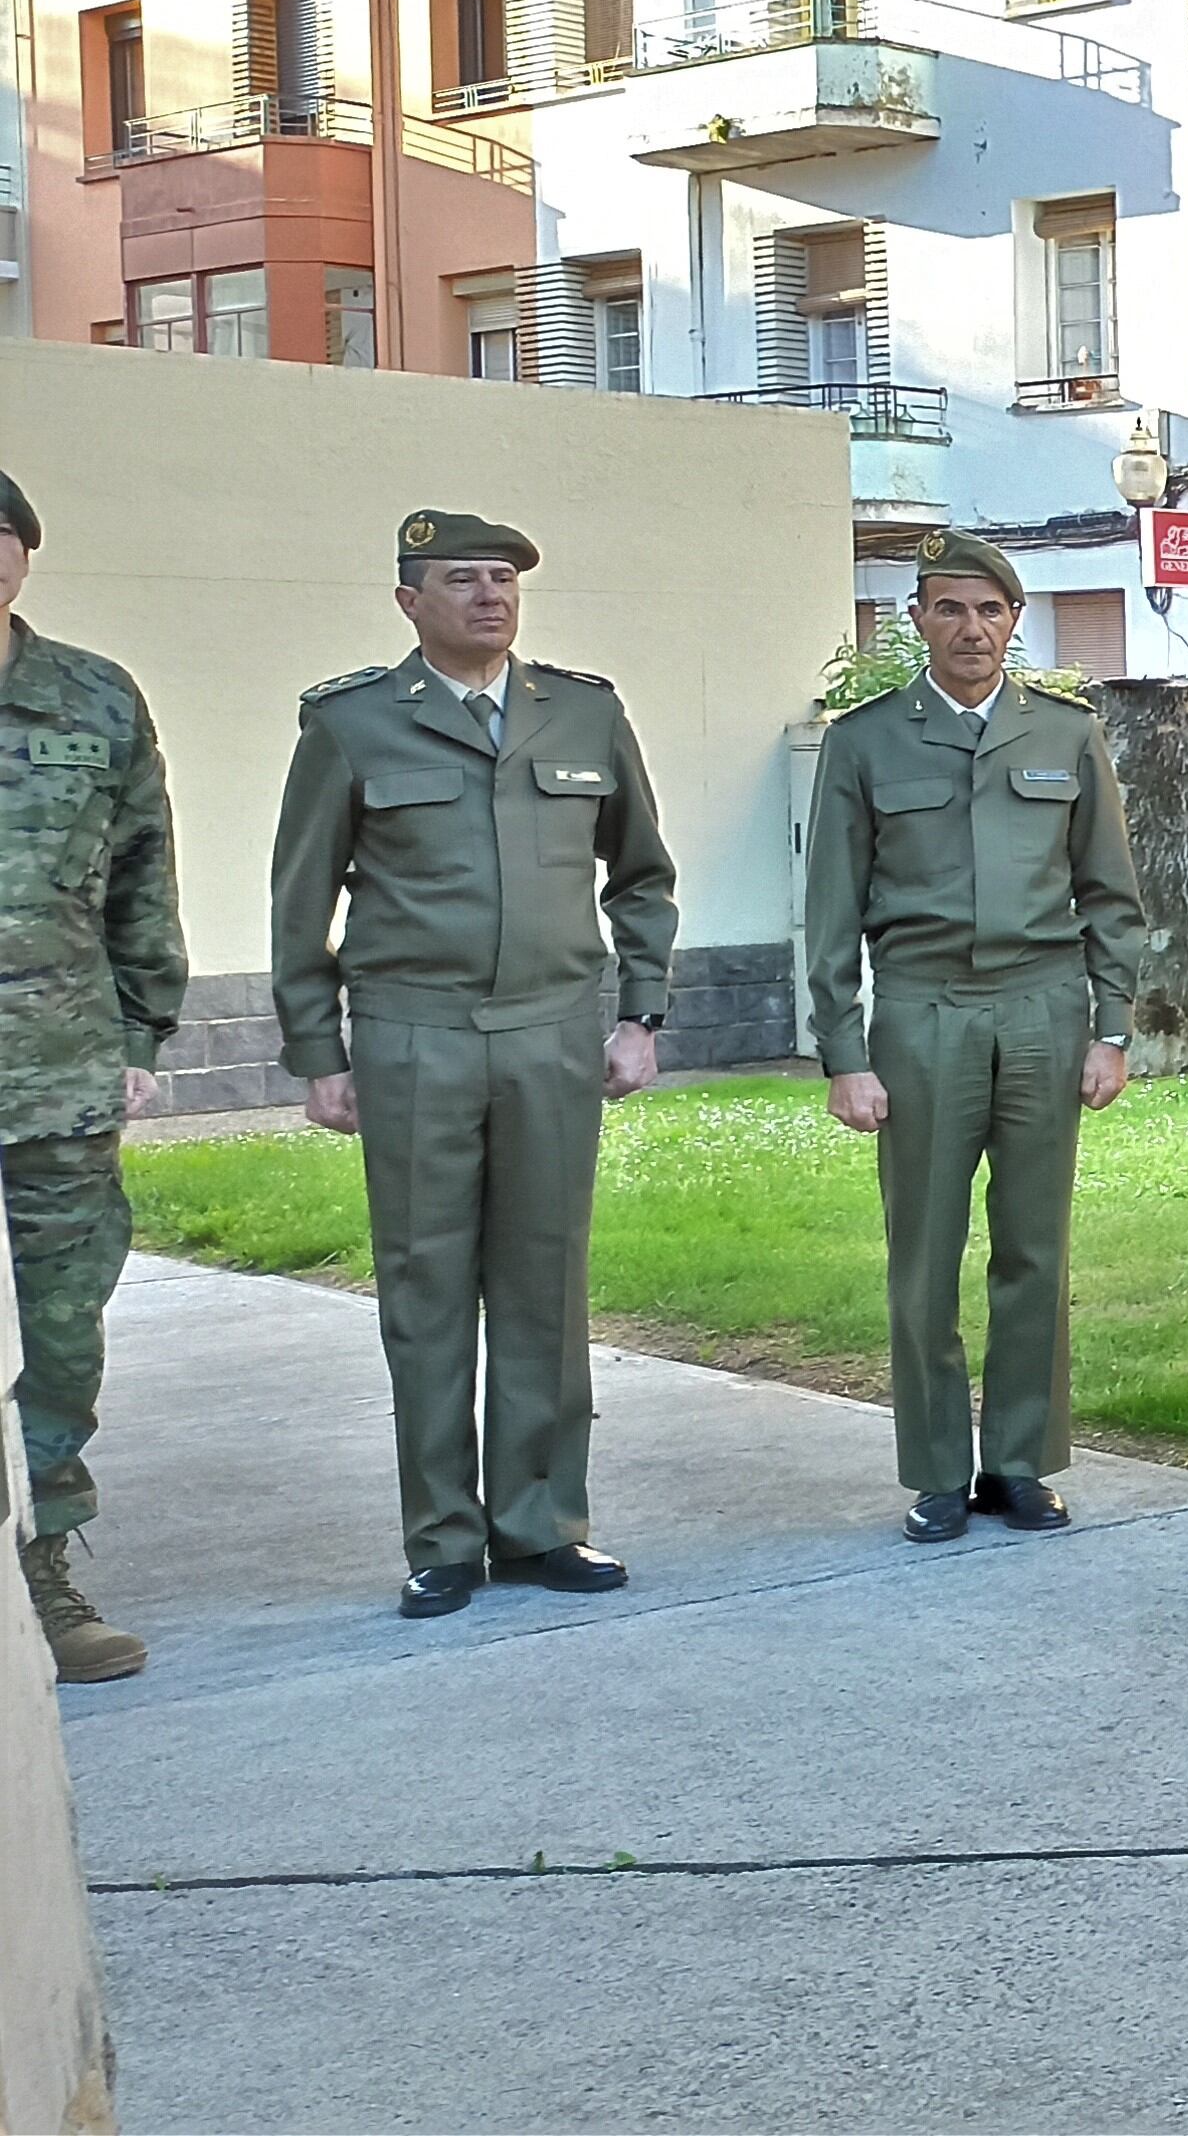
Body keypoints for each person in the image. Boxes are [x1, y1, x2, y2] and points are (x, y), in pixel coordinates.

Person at [270, 509, 677, 1620]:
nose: (491, 596)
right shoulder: (353, 724)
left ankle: (543, 1523)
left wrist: (639, 1011)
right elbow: (301, 899)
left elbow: (641, 873)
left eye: (503, 578)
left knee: (545, 1284)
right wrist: (320, 1051)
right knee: (427, 1288)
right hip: (414, 1033)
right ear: (411, 600)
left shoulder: (583, 711)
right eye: (463, 578)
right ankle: (443, 1535)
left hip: (552, 1032)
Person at [804, 531, 1150, 1547]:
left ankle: (1019, 1460)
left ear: (1016, 621)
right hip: (921, 1012)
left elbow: (1110, 895)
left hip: (1044, 1007)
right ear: (915, 618)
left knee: (1035, 1246)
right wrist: (843, 1051)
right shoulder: (866, 741)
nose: (971, 628)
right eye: (949, 608)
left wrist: (1113, 1027)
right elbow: (830, 907)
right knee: (923, 1251)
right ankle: (936, 1470)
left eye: (990, 610)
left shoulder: (1064, 733)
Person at [0, 469, 184, 1680]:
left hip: (55, 1073)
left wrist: (141, 1035)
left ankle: (47, 1573)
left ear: (23, 555)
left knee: (63, 1336)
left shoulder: (94, 697)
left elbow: (142, 871)